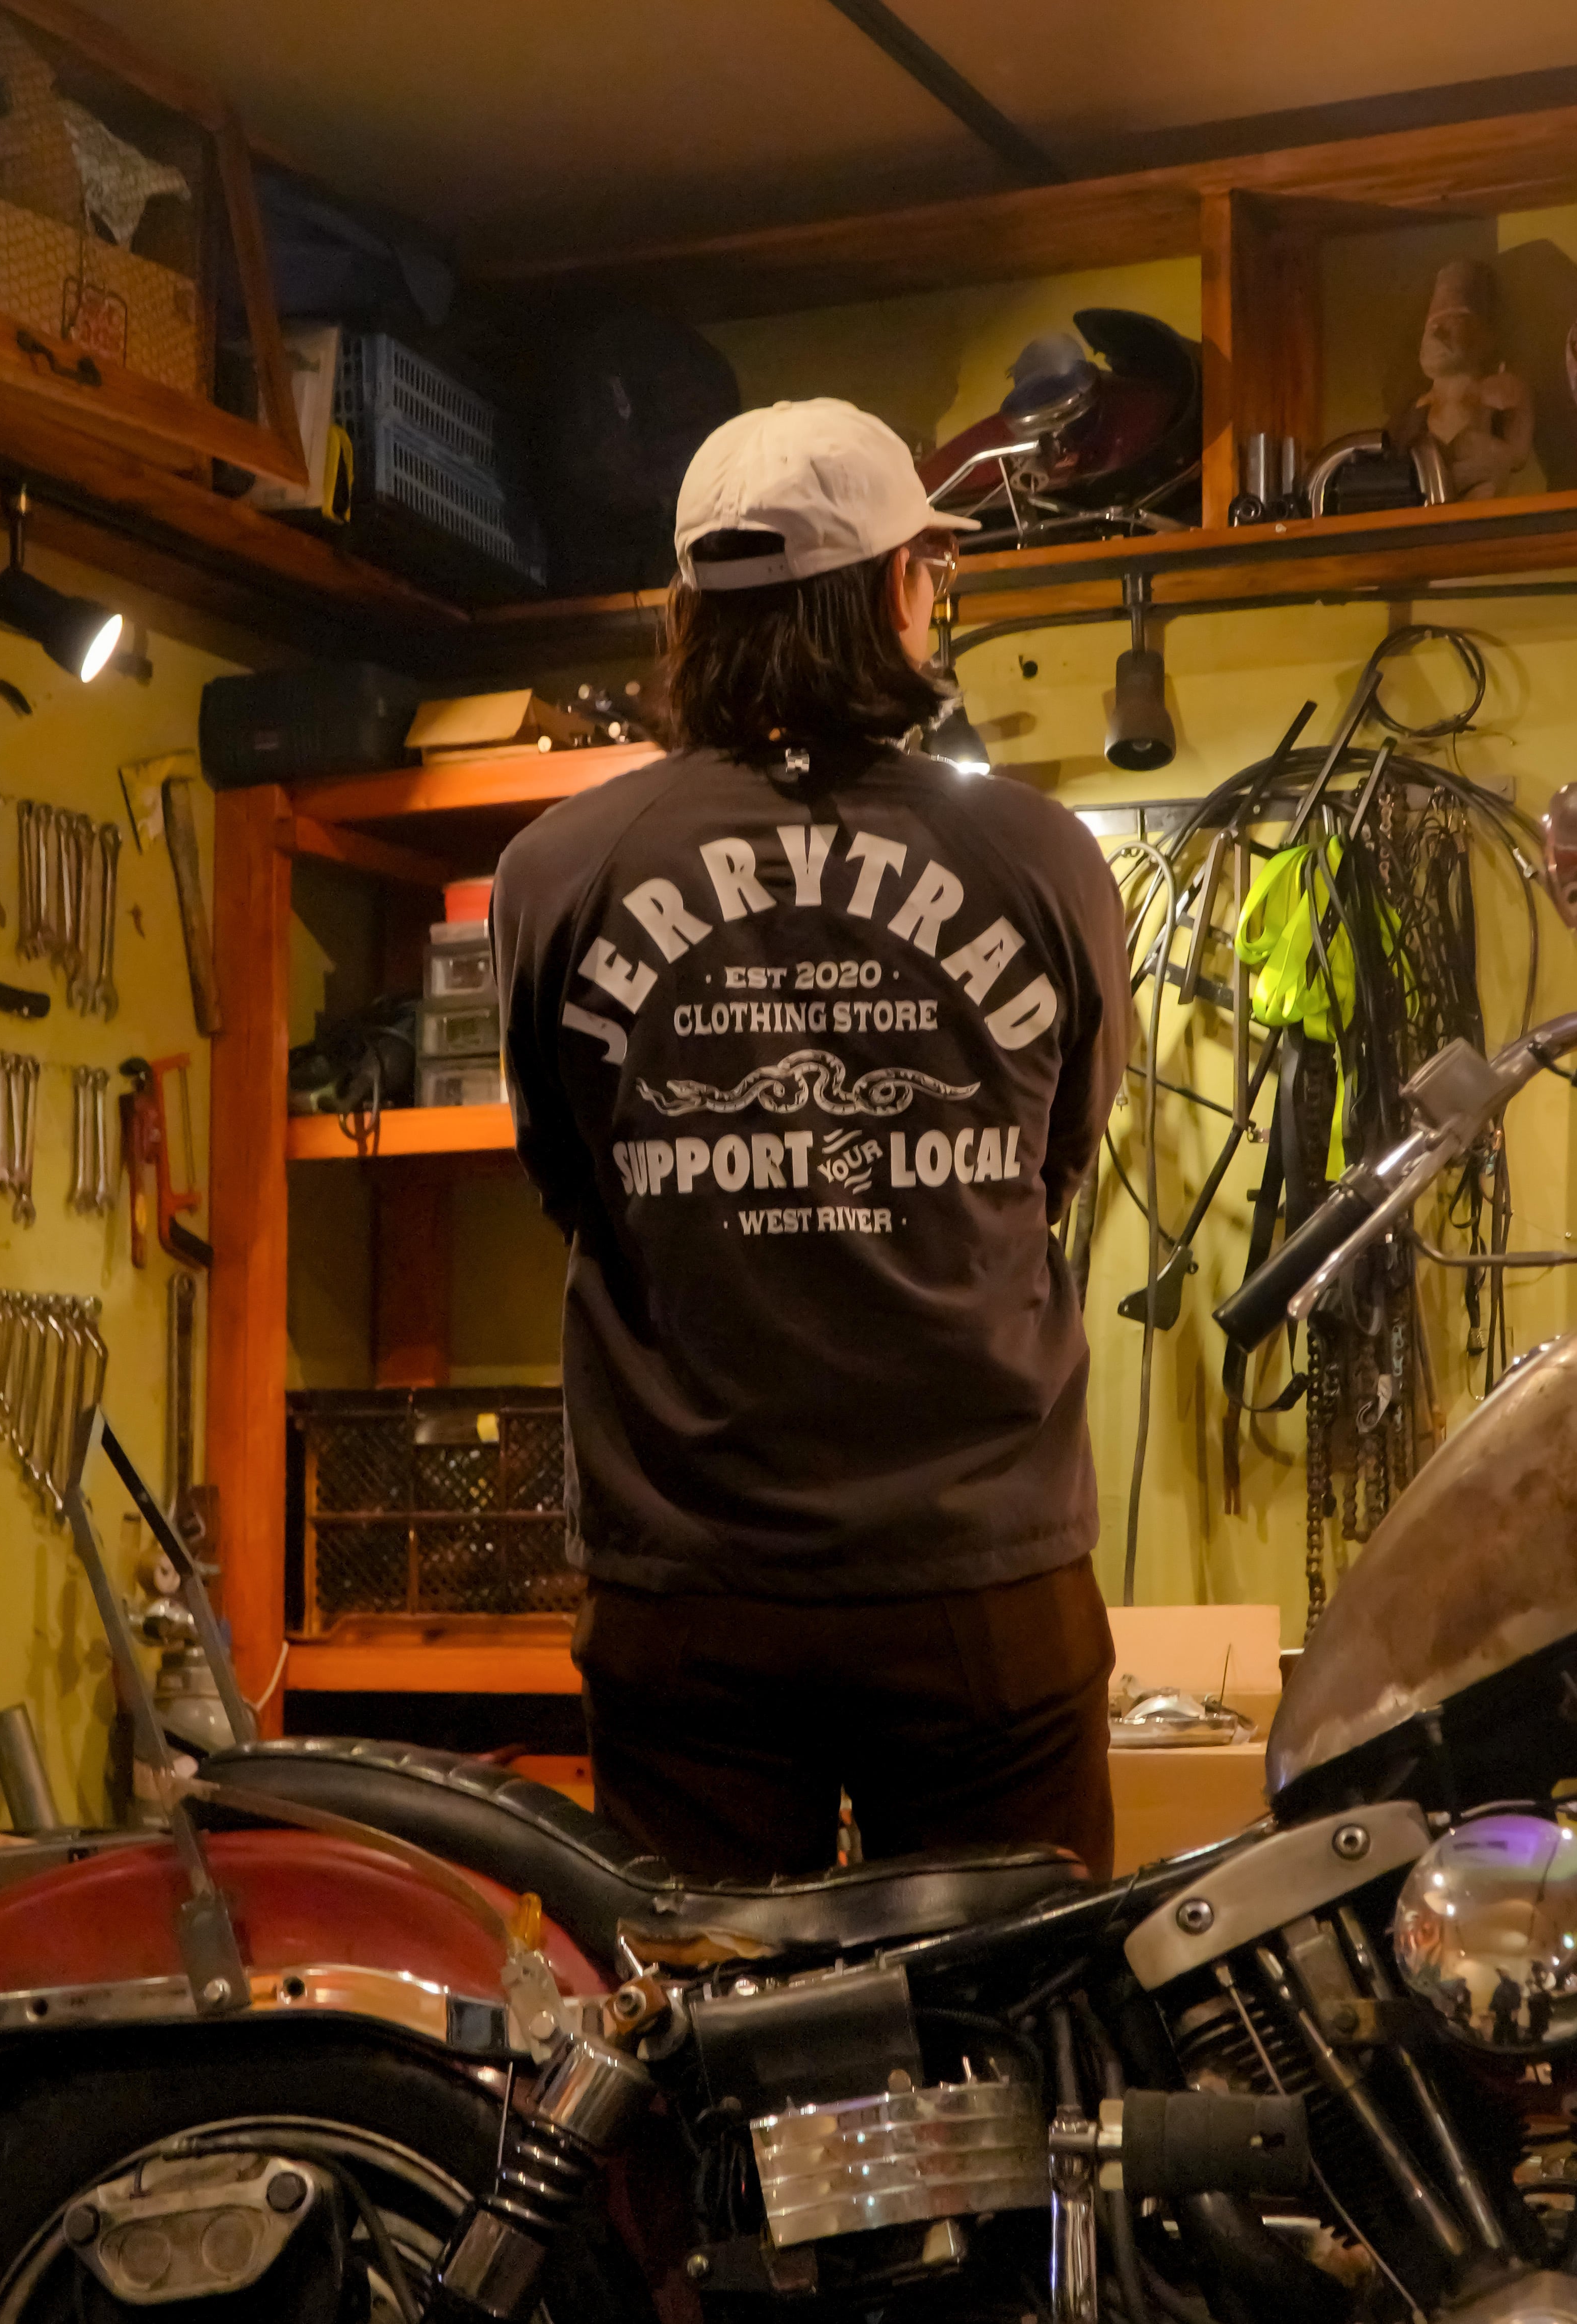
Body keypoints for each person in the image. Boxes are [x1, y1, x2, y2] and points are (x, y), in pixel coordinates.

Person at [493, 398, 1127, 1881]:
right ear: (902, 585)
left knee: (709, 2007)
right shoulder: (1042, 859)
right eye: (933, 572)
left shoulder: (557, 869)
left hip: (693, 1590)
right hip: (979, 1581)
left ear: (689, 616)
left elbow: (572, 1179)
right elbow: (1053, 1164)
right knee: (1020, 2002)